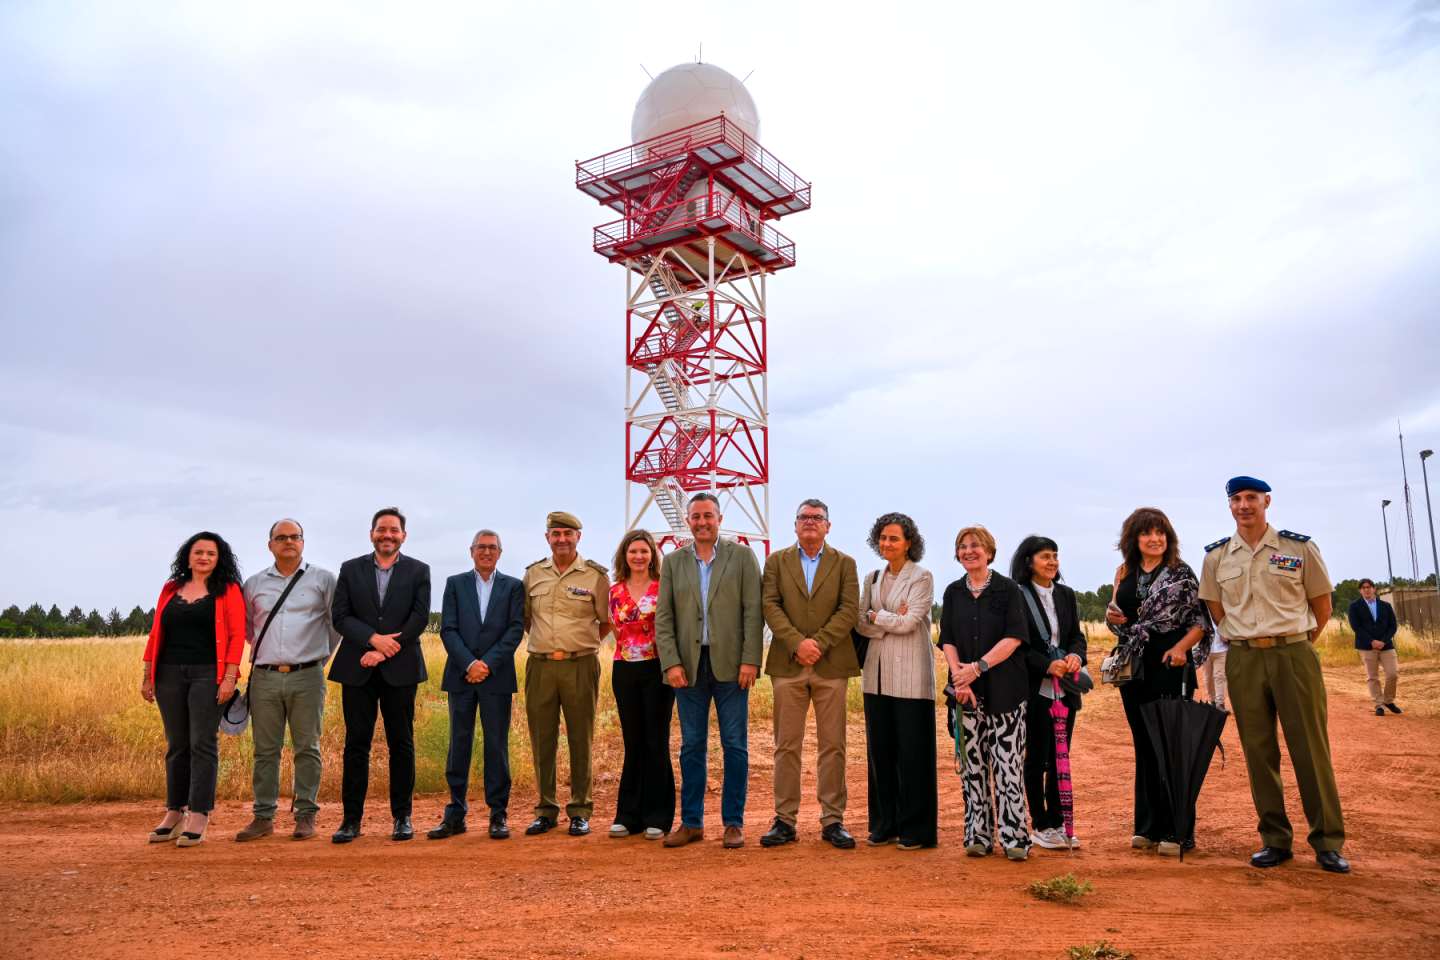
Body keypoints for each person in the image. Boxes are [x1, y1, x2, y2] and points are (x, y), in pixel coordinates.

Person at [1199, 476, 1349, 874]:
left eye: (1251, 498)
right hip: (1244, 659)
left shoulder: (1298, 548)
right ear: (1229, 506)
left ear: (1267, 501)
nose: (1244, 505)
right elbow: (1218, 612)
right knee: (1259, 752)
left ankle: (1327, 841)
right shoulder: (1216, 558)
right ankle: (1275, 839)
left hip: (1294, 654)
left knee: (1310, 750)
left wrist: (1295, 643)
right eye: (1236, 499)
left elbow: (1322, 607)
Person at [655, 493, 764, 849]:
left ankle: (733, 822)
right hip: (687, 667)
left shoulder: (743, 556)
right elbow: (665, 617)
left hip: (732, 666)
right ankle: (691, 822)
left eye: (708, 516)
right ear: (687, 521)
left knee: (734, 745)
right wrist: (670, 662)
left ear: (719, 518)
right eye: (696, 517)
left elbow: (753, 611)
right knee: (692, 746)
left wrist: (751, 659)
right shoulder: (673, 562)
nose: (702, 522)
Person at [1105, 508, 1210, 857]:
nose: (1155, 539)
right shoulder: (1125, 573)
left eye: (1161, 532)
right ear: (1134, 538)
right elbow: (1120, 620)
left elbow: (1200, 621)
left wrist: (1181, 648)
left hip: (1170, 663)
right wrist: (1112, 617)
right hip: (1136, 667)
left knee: (1171, 747)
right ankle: (1147, 827)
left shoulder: (1181, 574)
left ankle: (1178, 830)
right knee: (1145, 745)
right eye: (1147, 533)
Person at [761, 498, 861, 849]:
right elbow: (770, 604)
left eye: (817, 518)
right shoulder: (776, 562)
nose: (810, 522)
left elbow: (849, 610)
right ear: (795, 524)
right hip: (788, 665)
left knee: (833, 745)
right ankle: (784, 820)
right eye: (803, 517)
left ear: (828, 526)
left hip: (830, 665)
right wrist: (796, 644)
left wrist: (817, 643)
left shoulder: (845, 564)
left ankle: (833, 820)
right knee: (786, 745)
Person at [328, 507, 431, 844]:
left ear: (403, 535)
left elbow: (418, 618)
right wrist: (372, 640)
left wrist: (385, 649)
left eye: (394, 530)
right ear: (371, 533)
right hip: (357, 668)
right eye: (381, 529)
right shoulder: (350, 569)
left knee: (401, 744)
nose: (387, 535)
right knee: (356, 744)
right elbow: (340, 616)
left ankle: (402, 818)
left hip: (400, 670)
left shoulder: (419, 571)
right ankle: (351, 820)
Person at [235, 519, 340, 843]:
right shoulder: (253, 584)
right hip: (265, 677)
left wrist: (319, 658)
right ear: (270, 545)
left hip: (307, 676)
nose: (288, 542)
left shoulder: (323, 580)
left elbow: (335, 625)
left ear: (303, 542)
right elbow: (248, 629)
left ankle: (305, 815)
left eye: (295, 537)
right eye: (281, 538)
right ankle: (263, 817)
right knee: (265, 750)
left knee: (307, 747)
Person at [140, 531, 246, 847]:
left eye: (210, 554)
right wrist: (147, 675)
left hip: (207, 674)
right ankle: (174, 813)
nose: (203, 558)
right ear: (188, 556)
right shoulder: (171, 589)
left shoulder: (227, 590)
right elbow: (155, 633)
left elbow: (236, 636)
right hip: (169, 673)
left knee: (202, 743)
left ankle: (199, 814)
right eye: (198, 552)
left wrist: (229, 678)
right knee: (177, 744)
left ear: (218, 559)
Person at [939, 525, 1032, 861]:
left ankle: (1015, 837)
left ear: (989, 552)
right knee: (972, 766)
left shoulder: (1008, 591)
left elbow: (1014, 638)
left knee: (1008, 769)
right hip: (965, 696)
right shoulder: (952, 593)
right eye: (962, 546)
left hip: (1005, 691)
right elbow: (947, 637)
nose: (968, 551)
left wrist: (977, 668)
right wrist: (960, 679)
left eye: (975, 546)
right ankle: (977, 834)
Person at [521, 511, 612, 837]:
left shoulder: (595, 576)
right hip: (541, 665)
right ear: (547, 538)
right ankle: (545, 809)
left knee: (580, 737)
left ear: (578, 538)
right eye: (555, 534)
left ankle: (580, 810)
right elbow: (527, 620)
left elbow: (606, 620)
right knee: (542, 739)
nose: (561, 539)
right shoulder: (533, 575)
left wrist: (580, 646)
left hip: (580, 665)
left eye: (567, 534)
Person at [429, 529, 524, 841]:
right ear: (471, 551)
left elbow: (514, 630)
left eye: (492, 548)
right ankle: (455, 813)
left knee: (496, 746)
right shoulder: (455, 584)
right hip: (461, 675)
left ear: (500, 552)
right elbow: (449, 629)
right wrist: (470, 663)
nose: (486, 552)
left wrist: (487, 664)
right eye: (481, 547)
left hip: (496, 677)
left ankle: (498, 814)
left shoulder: (512, 586)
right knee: (460, 744)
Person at [853, 512, 938, 850]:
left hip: (911, 678)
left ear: (909, 543)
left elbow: (910, 623)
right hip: (875, 676)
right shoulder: (872, 577)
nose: (887, 544)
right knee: (881, 753)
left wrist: (879, 617)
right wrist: (887, 618)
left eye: (894, 538)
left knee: (913, 754)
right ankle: (884, 824)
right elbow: (860, 622)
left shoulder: (922, 576)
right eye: (883, 538)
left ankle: (915, 830)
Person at [1010, 535, 1087, 852]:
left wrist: (1075, 657)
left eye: (1055, 556)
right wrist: (1047, 665)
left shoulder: (1066, 595)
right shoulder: (1017, 596)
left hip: (1065, 690)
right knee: (1037, 757)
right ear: (1029, 562)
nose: (1053, 562)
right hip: (1035, 688)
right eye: (1045, 556)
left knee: (1061, 755)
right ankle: (1040, 824)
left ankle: (1059, 822)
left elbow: (1075, 637)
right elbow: (1018, 645)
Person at [607, 529, 675, 840]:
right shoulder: (614, 591)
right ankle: (628, 814)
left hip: (657, 670)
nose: (638, 556)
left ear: (652, 555)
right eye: (633, 551)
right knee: (633, 742)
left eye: (644, 551)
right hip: (624, 670)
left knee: (656, 741)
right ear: (625, 555)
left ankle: (658, 817)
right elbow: (611, 629)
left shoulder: (663, 588)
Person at [1348, 578, 1400, 717]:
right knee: (1373, 677)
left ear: (1374, 588)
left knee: (1392, 674)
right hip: (1366, 646)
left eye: (1369, 587)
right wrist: (1371, 641)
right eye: (1363, 587)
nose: (1366, 589)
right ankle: (1379, 704)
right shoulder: (1354, 606)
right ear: (1360, 590)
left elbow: (1393, 626)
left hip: (1386, 645)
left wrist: (1383, 641)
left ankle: (1388, 700)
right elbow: (1356, 627)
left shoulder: (1386, 606)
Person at [1202, 630, 1230, 712]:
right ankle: (1213, 701)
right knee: (1208, 678)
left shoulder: (1223, 618)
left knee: (1220, 676)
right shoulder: (1204, 618)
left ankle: (1220, 703)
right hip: (1206, 651)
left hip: (1222, 650)